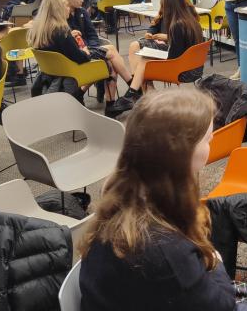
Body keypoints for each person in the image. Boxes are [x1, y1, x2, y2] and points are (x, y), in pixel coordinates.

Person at [78, 88, 235, 310]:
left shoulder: (121, 198)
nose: (211, 144)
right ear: (183, 153)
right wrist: (216, 261)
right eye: (208, 139)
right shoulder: (166, 250)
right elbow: (223, 306)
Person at [112, 0, 204, 115]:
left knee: (144, 60)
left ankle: (133, 93)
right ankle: (135, 92)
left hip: (183, 70)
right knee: (140, 52)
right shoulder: (192, 21)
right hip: (194, 67)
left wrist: (156, 55)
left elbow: (173, 57)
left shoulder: (177, 25)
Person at [60, 0, 132, 112]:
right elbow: (69, 44)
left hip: (88, 49)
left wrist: (92, 48)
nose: (83, 0)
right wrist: (92, 50)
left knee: (109, 61)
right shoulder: (61, 18)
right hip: (75, 55)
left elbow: (93, 35)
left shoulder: (82, 12)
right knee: (110, 52)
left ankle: (110, 104)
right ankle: (131, 88)